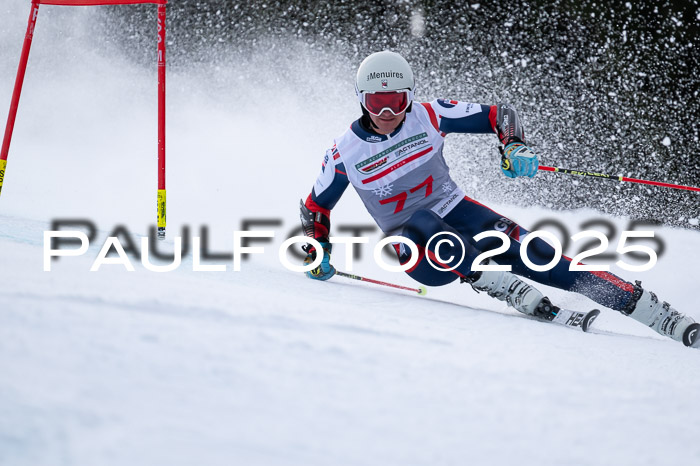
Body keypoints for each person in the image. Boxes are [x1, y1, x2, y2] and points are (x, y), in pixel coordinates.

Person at [299, 50, 698, 347]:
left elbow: (499, 114)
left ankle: (660, 316)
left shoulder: (430, 115)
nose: (388, 111)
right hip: (416, 251)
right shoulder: (344, 153)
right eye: (376, 102)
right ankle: (503, 286)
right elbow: (316, 207)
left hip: (460, 213)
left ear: (409, 97)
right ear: (361, 99)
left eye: (397, 101)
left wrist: (514, 147)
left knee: (546, 257)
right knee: (421, 222)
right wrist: (318, 251)